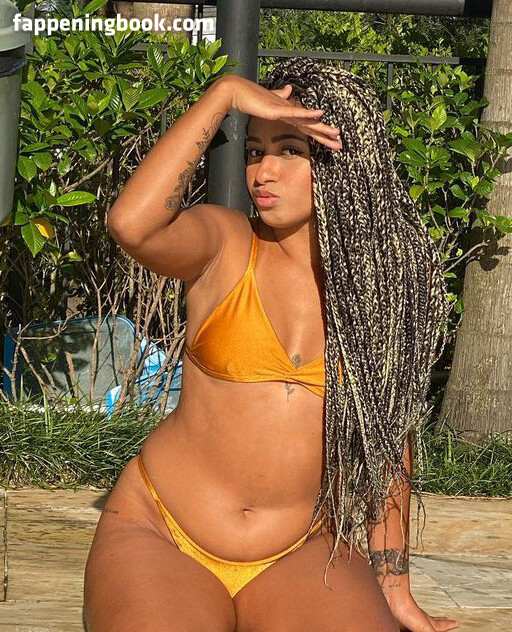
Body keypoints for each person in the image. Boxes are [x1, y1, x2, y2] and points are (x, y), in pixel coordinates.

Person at [84, 57, 458, 632]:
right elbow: (132, 225)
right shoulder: (225, 245)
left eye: (289, 150)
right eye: (255, 150)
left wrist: (393, 584)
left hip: (301, 550)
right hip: (162, 532)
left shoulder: (381, 291)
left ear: (343, 163)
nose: (263, 172)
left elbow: (388, 436)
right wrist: (223, 95)